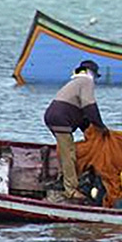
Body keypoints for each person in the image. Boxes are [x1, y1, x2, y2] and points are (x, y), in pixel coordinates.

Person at [43, 60, 109, 201]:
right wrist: (101, 126)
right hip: (60, 118)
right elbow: (89, 106)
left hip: (53, 116)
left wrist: (91, 130)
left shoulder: (76, 82)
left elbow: (81, 117)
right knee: (69, 154)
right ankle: (70, 190)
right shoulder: (86, 81)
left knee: (66, 149)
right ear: (92, 73)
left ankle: (64, 179)